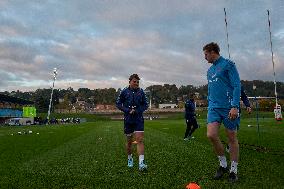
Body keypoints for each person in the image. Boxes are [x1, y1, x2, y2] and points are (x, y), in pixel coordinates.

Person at [203, 42, 241, 182]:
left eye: (206, 54)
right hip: (213, 108)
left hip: (229, 107)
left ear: (213, 52)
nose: (205, 57)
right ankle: (223, 164)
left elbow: (237, 85)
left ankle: (233, 170)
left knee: (231, 138)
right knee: (211, 134)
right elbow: (211, 90)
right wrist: (209, 102)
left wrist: (235, 106)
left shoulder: (228, 64)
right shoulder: (209, 71)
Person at [116, 74, 149, 171]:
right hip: (128, 120)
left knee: (139, 140)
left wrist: (138, 110)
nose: (136, 83)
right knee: (129, 142)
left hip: (138, 119)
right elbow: (118, 104)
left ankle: (141, 164)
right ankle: (130, 158)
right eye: (134, 81)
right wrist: (127, 110)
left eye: (138, 82)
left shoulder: (141, 92)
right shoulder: (124, 91)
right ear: (130, 82)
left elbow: (145, 105)